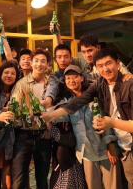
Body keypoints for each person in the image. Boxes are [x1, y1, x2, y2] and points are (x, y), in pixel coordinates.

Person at [42, 49, 133, 188]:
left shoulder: (119, 87)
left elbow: (106, 119)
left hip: (111, 148)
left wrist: (110, 141)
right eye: (100, 65)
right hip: (92, 151)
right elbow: (73, 106)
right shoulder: (97, 86)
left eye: (108, 63)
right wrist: (49, 115)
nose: (105, 68)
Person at [62, 65, 122, 189]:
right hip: (86, 153)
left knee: (113, 186)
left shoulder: (95, 96)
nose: (71, 81)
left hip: (105, 150)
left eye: (75, 77)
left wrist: (110, 145)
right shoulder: (68, 103)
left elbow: (106, 118)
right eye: (68, 78)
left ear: (82, 78)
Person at [11, 49, 52, 189]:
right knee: (19, 179)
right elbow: (15, 107)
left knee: (42, 178)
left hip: (44, 135)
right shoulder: (22, 83)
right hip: (24, 135)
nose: (39, 64)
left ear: (48, 64)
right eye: (36, 60)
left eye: (43, 61)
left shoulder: (51, 83)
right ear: (31, 62)